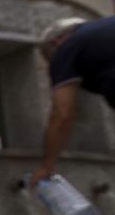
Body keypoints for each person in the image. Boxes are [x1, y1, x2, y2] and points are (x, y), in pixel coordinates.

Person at [30, 16, 115, 186]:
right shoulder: (105, 27)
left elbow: (62, 114)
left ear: (56, 41)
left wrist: (47, 167)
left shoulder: (66, 49)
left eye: (49, 57)